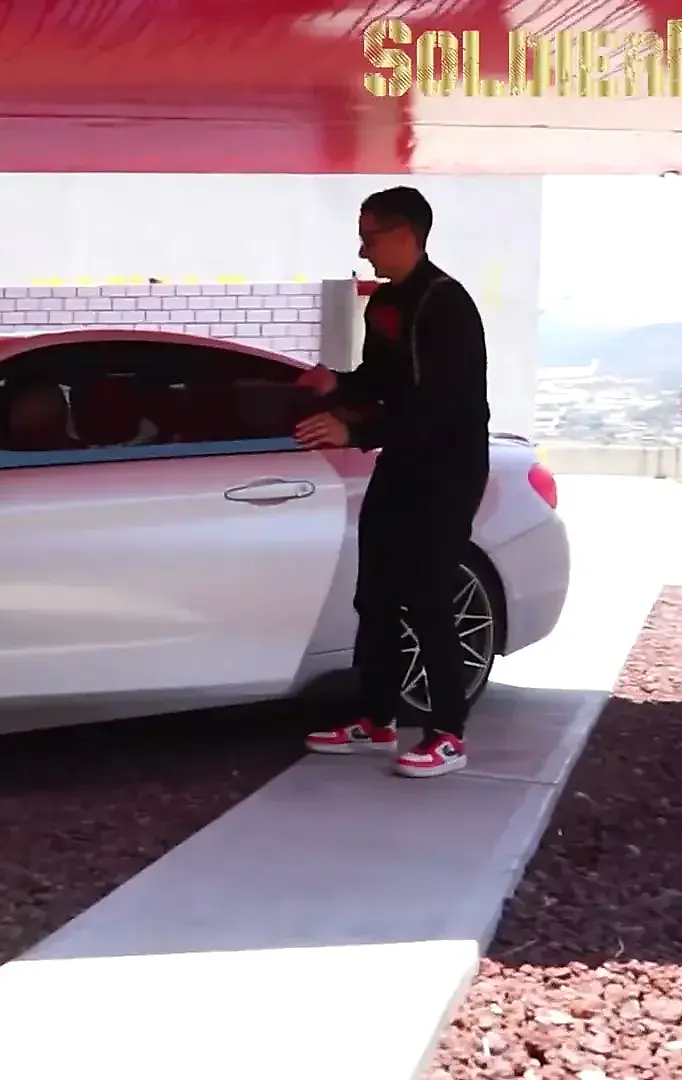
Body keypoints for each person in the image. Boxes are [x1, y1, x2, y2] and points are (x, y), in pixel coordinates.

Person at [291, 186, 491, 779]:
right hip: (402, 462)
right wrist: (338, 384)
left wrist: (352, 431)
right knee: (375, 592)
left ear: (406, 234)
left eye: (370, 237)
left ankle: (447, 733)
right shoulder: (387, 302)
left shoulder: (447, 305)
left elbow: (438, 406)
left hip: (447, 469)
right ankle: (377, 719)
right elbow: (382, 380)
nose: (363, 249)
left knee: (428, 596)